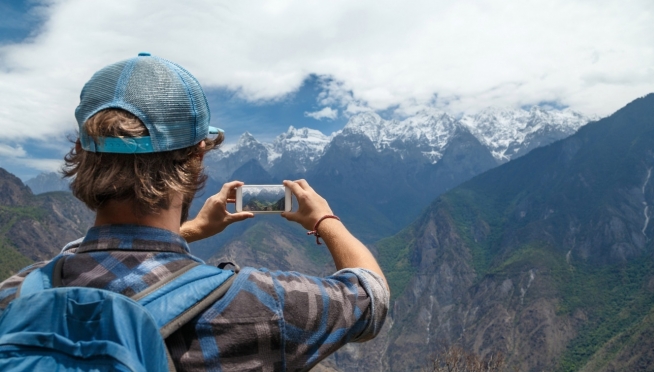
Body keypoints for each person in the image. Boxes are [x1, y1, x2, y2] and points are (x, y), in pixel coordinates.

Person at [0, 53, 389, 371]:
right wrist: (324, 220)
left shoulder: (15, 295)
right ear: (196, 157)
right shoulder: (260, 306)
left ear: (82, 155)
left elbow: (72, 257)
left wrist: (190, 230)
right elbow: (369, 297)